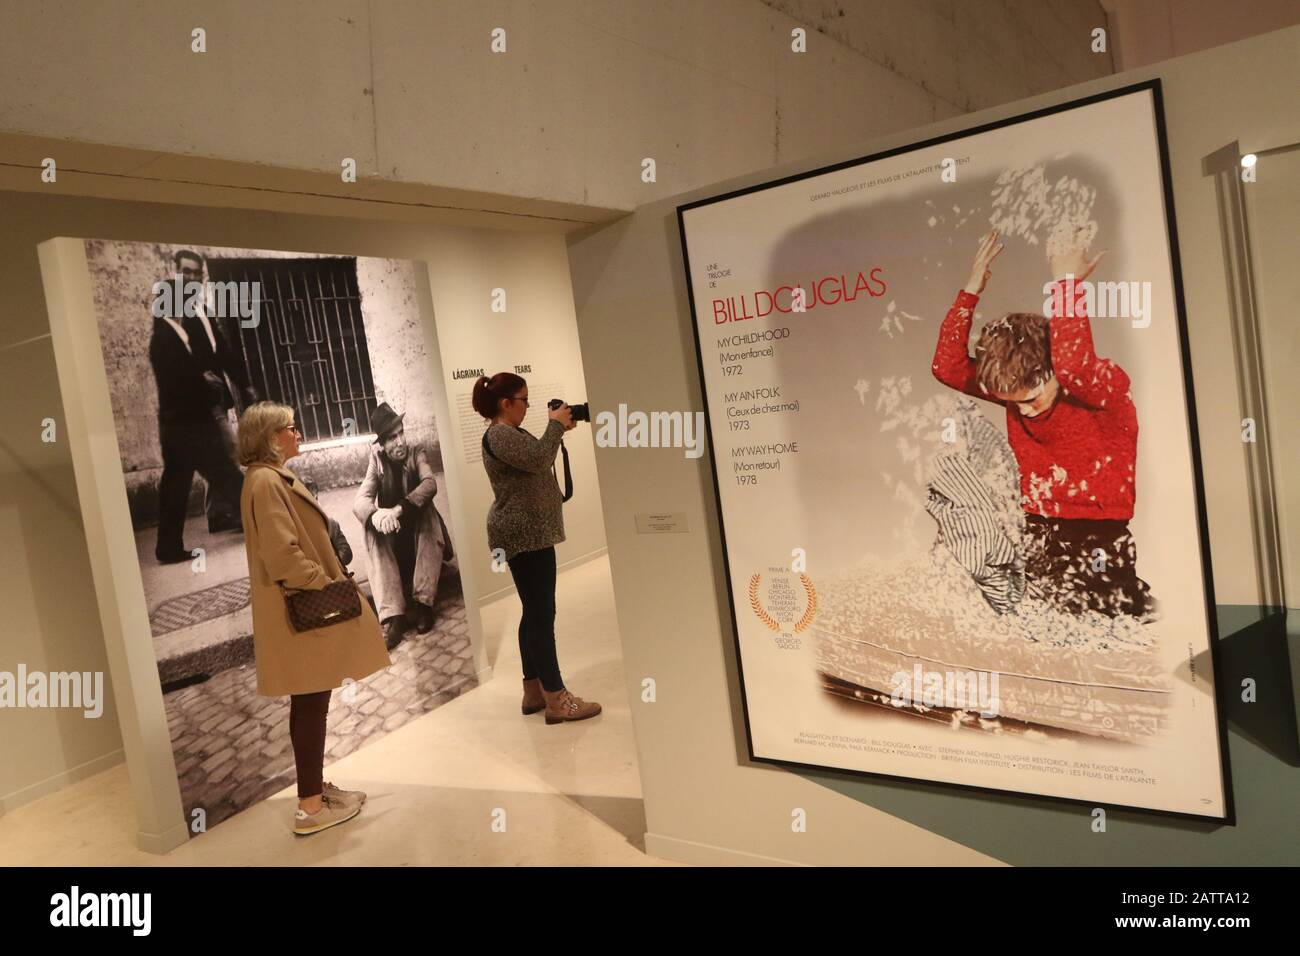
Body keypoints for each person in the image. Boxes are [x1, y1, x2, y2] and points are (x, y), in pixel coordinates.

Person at [930, 228, 1153, 618]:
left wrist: (1066, 285)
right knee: (1041, 609)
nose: (1026, 411)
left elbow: (1073, 363)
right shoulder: (1017, 389)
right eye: (1012, 404)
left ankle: (1137, 614)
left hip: (1097, 530)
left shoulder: (1099, 389)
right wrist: (970, 291)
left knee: (1105, 612)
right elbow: (946, 367)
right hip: (1038, 522)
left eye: (1033, 399)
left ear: (1053, 371)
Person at [238, 401, 391, 835]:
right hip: (300, 607)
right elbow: (282, 553)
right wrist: (322, 582)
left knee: (311, 701)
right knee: (309, 704)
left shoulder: (268, 478)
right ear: (270, 438)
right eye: (290, 428)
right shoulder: (266, 481)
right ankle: (309, 807)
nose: (298, 433)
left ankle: (313, 789)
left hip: (297, 607)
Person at [472, 373, 601, 724]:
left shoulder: (508, 434)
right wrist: (555, 427)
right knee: (542, 616)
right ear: (506, 403)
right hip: (523, 535)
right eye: (524, 399)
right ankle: (557, 699)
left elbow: (536, 456)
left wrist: (555, 429)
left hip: (528, 533)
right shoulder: (499, 433)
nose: (528, 406)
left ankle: (532, 691)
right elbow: (540, 460)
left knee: (534, 612)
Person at [151, 249, 258, 563]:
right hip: (190, 420)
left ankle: (168, 547)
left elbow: (220, 352)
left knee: (181, 483)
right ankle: (257, 519)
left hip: (186, 419)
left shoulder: (192, 320)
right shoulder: (168, 335)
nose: (192, 279)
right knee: (225, 468)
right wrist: (204, 384)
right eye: (186, 273)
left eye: (197, 273)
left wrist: (239, 382)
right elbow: (179, 376)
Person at [352, 402, 456, 650]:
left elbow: (430, 484)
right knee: (368, 526)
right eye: (391, 438)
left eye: (401, 433)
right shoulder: (376, 461)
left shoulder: (416, 451)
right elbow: (360, 500)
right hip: (395, 545)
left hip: (423, 541)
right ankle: (393, 616)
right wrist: (377, 516)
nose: (399, 442)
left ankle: (423, 605)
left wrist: (399, 510)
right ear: (382, 444)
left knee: (426, 509)